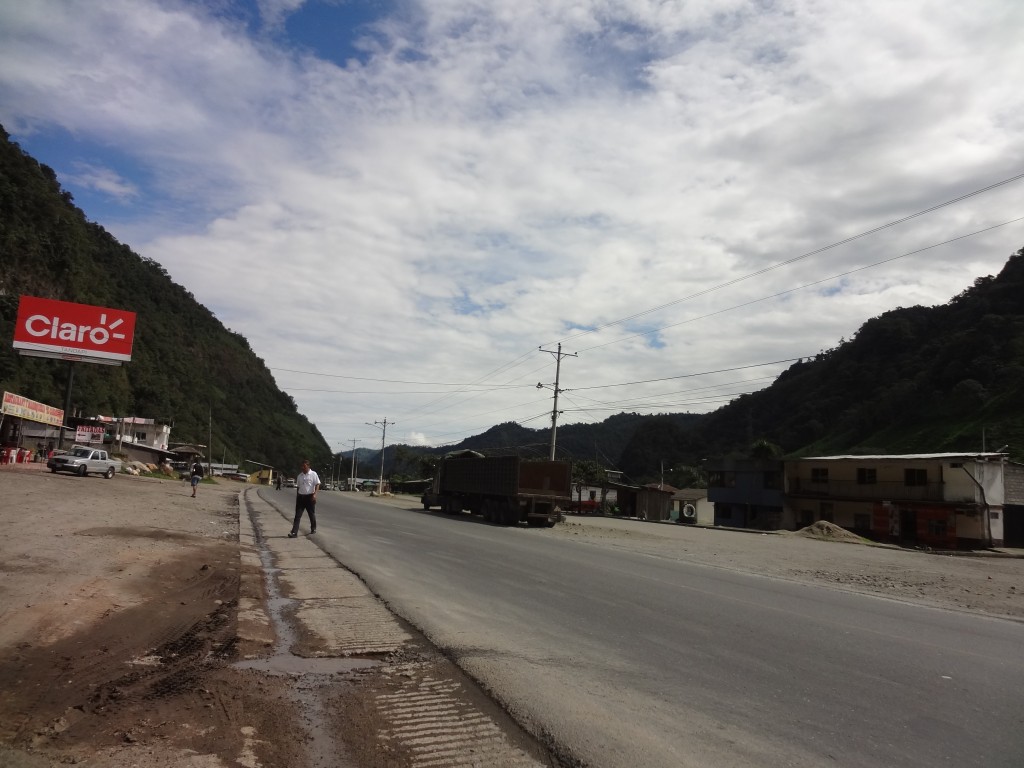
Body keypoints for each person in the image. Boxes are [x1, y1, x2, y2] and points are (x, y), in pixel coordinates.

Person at [288, 459, 320, 537]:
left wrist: (315, 494)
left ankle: (313, 528)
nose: (303, 468)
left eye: (304, 466)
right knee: (297, 516)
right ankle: (294, 532)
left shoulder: (313, 474)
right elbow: (298, 487)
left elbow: (317, 484)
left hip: (310, 497)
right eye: (302, 466)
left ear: (308, 466)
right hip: (301, 498)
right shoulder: (299, 476)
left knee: (311, 514)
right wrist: (297, 496)